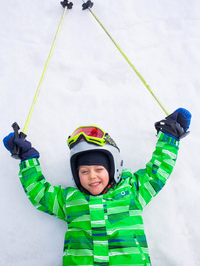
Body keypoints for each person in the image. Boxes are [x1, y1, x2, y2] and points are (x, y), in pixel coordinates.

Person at [3, 108, 191, 266]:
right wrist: (27, 159)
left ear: (113, 168)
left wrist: (169, 137)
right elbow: (39, 193)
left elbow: (156, 172)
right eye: (84, 171)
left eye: (99, 169)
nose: (92, 176)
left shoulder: (132, 191)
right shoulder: (68, 200)